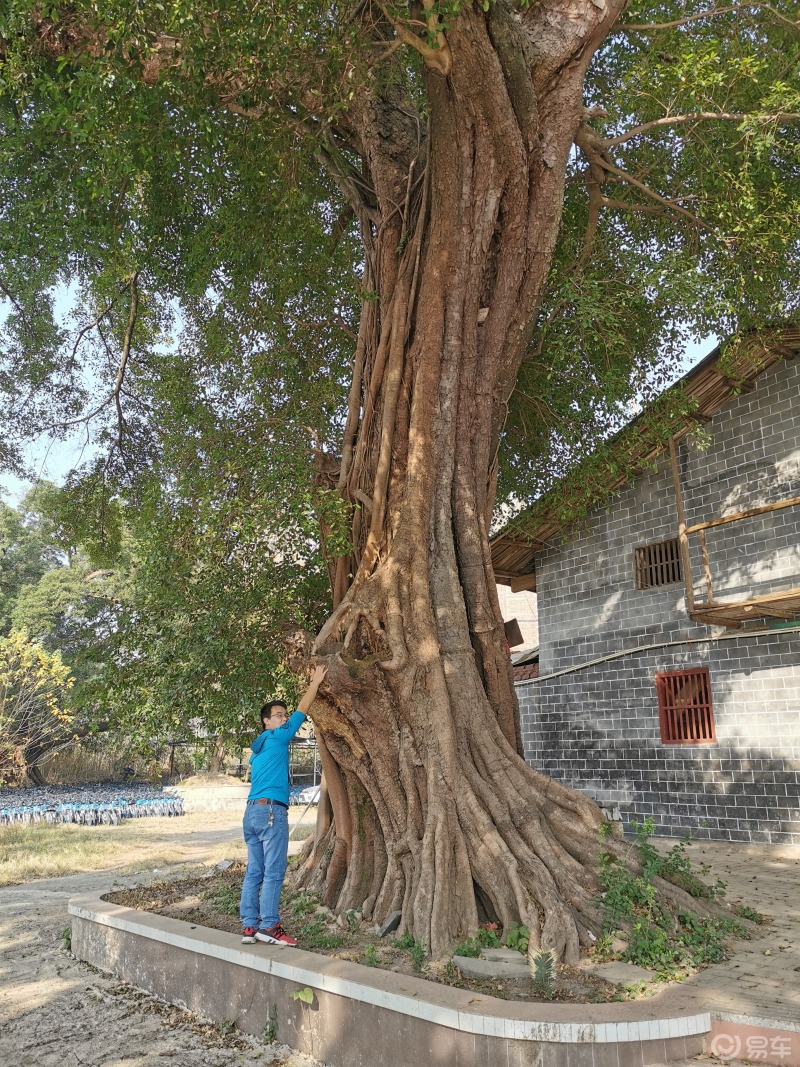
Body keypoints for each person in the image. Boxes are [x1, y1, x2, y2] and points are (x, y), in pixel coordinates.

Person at [240, 664, 327, 947]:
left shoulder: (258, 749)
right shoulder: (277, 738)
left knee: (255, 871)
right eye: (279, 715)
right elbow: (303, 709)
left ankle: (250, 927)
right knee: (274, 871)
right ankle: (270, 926)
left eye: (284, 715)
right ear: (267, 721)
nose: (285, 718)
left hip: (251, 813)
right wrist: (315, 682)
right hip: (270, 813)